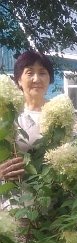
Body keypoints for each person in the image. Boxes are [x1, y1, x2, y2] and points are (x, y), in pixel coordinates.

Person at [0, 50, 54, 184]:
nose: (37, 79)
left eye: (42, 73)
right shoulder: (7, 114)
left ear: (49, 79)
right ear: (19, 79)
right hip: (15, 197)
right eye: (29, 73)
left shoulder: (59, 113)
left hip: (54, 199)